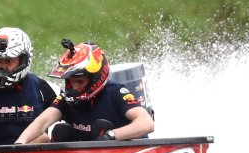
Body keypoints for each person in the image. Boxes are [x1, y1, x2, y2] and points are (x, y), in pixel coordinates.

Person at [14, 39, 154, 144]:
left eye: (80, 81)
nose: (74, 87)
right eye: (71, 81)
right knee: (60, 132)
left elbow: (147, 123)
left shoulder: (116, 92)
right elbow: (43, 121)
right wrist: (19, 144)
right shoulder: (68, 99)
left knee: (102, 128)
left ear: (95, 78)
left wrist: (111, 135)